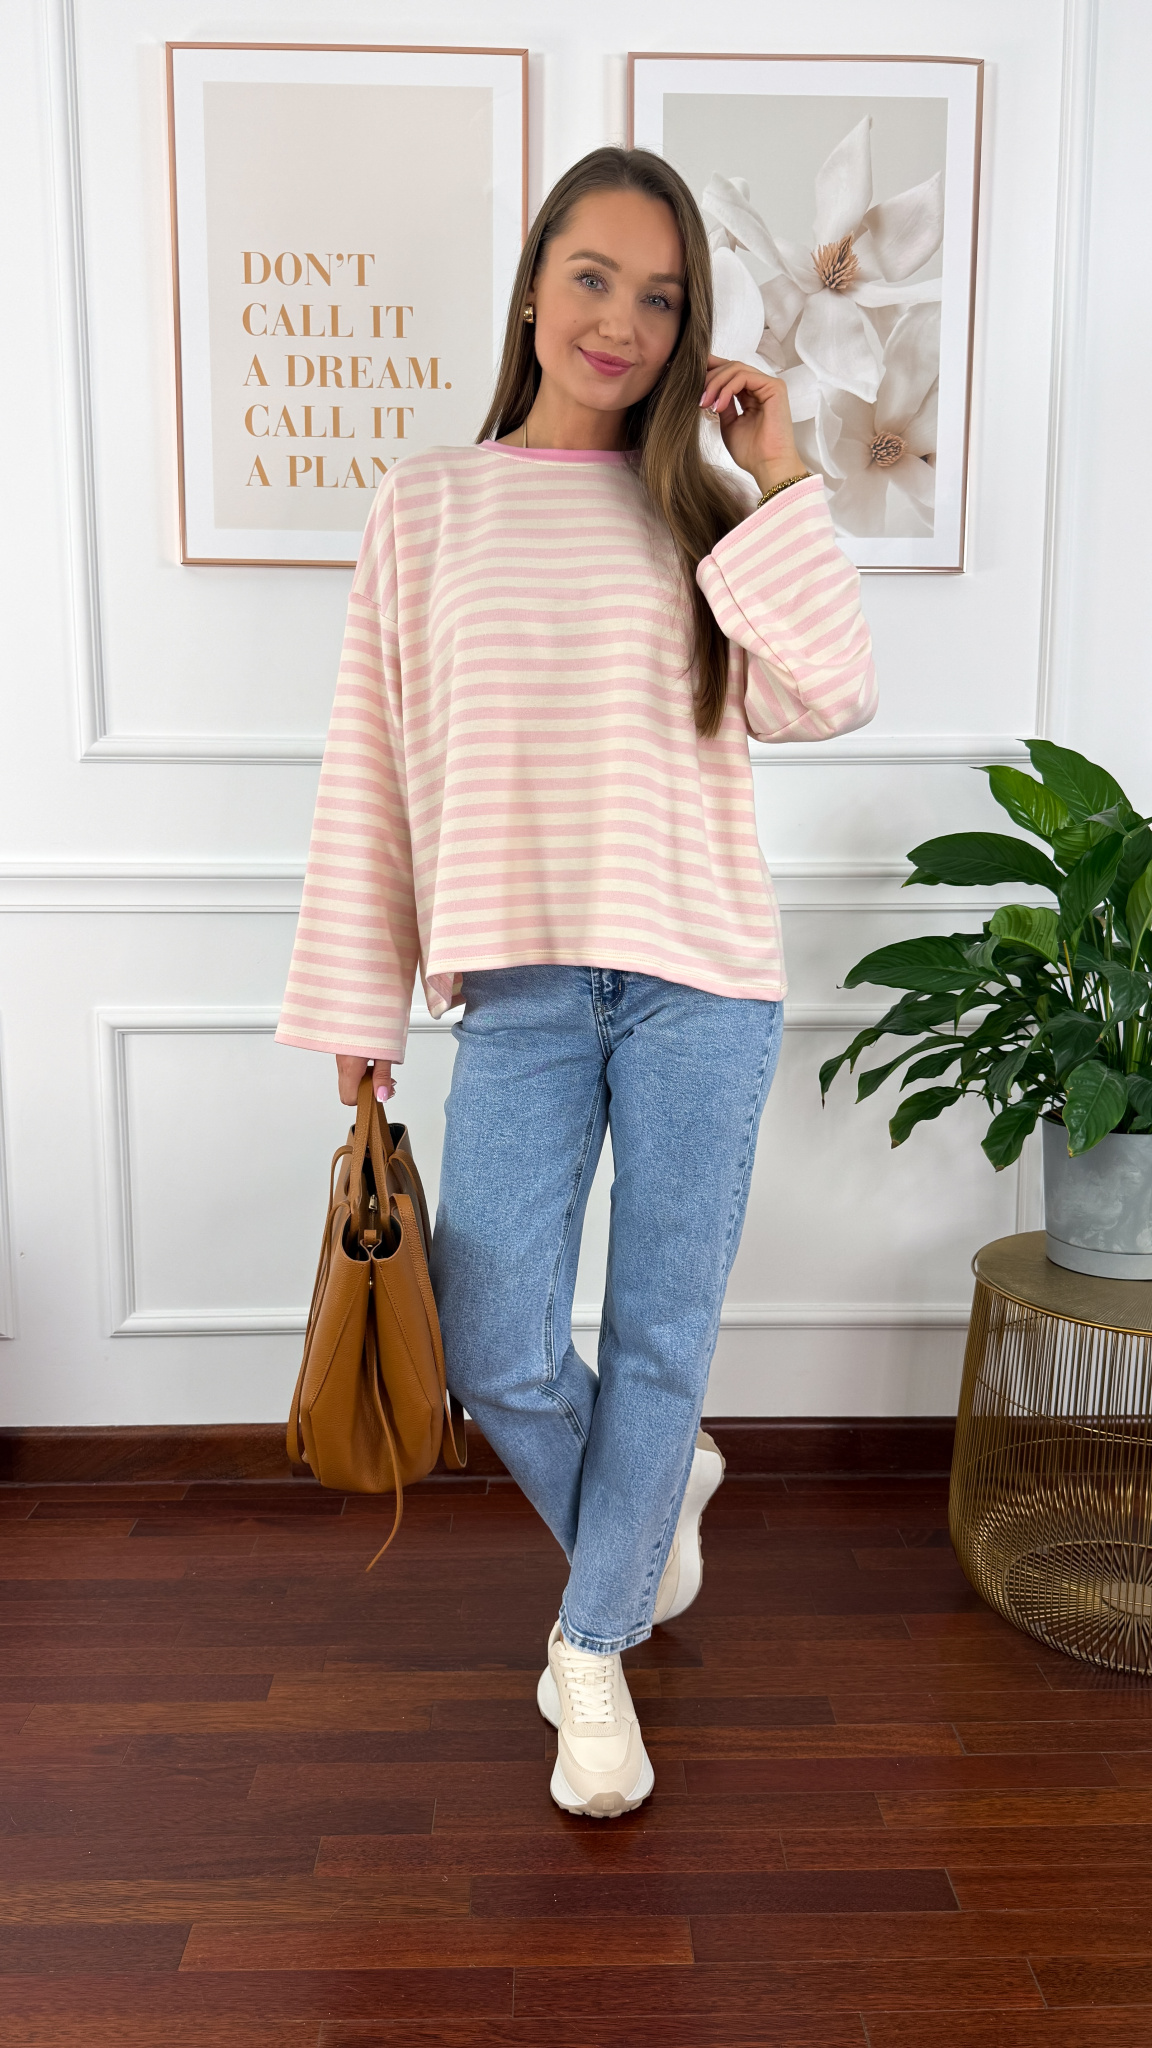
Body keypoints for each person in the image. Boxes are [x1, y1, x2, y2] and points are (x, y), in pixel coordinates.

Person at [277, 147, 876, 1819]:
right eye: (594, 277)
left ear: (688, 328)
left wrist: (783, 472)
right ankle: (654, 1501)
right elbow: (371, 769)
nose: (621, 320)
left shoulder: (703, 513)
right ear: (537, 279)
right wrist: (361, 1008)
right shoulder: (428, 505)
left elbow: (830, 693)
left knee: (664, 1335)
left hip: (703, 983)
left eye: (661, 296)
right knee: (500, 1349)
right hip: (524, 994)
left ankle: (592, 1648)